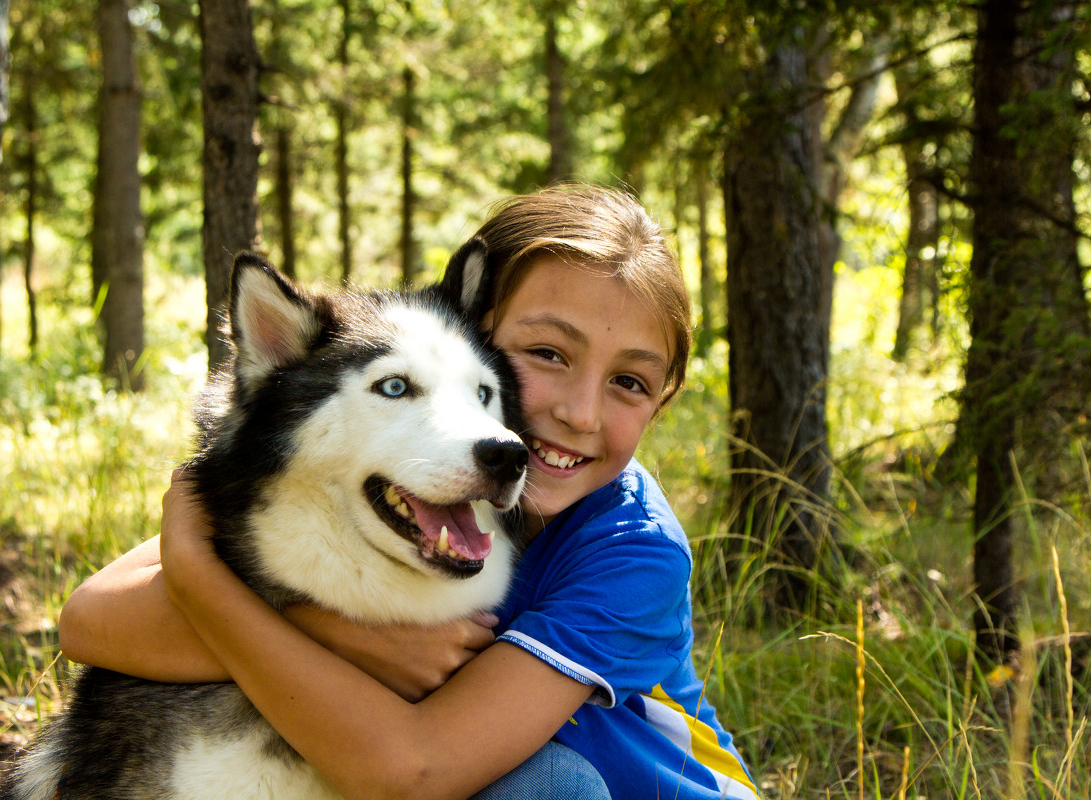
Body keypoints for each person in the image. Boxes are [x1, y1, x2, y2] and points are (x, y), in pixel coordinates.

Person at [59, 186, 759, 800]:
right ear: (468, 335)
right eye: (547, 353)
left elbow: (413, 773)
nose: (581, 413)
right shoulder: (419, 489)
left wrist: (203, 578)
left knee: (547, 785)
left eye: (629, 382)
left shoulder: (630, 552)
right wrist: (339, 631)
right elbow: (91, 622)